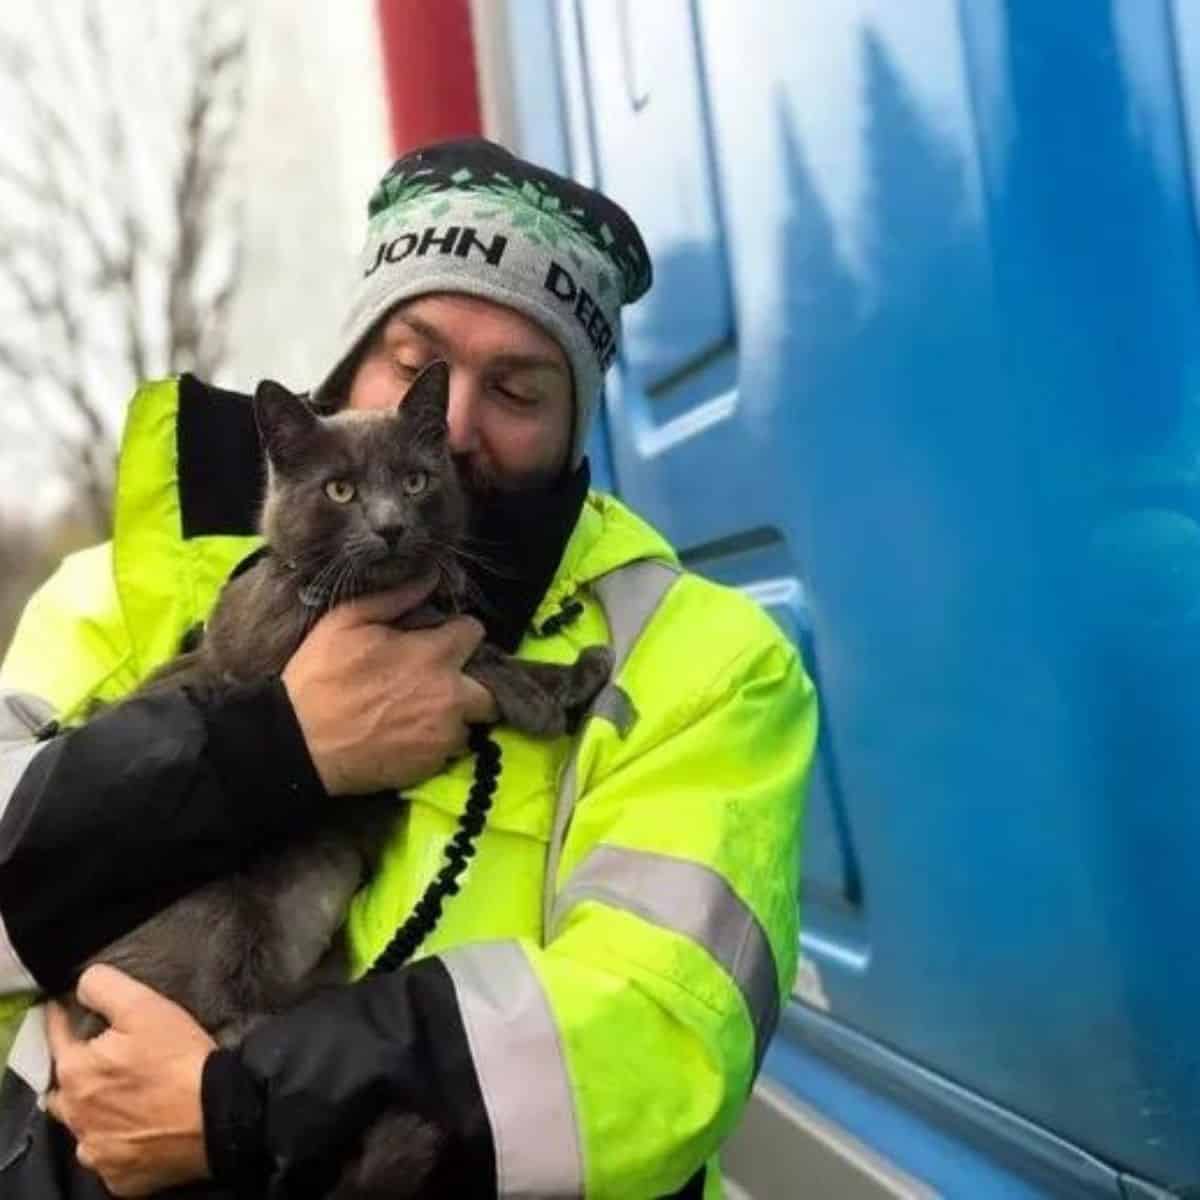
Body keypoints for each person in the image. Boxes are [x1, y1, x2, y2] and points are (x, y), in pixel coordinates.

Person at [0, 138, 816, 1198]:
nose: (458, 425)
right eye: (416, 354)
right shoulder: (126, 590)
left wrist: (244, 1109)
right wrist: (269, 749)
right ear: (349, 366)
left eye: (519, 388)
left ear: (577, 434)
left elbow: (666, 1036)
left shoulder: (704, 661)